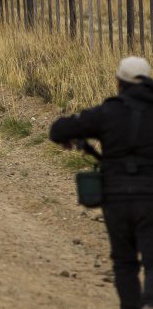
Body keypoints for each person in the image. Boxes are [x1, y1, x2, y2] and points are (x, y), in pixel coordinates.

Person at [50, 57, 153, 308]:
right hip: (151, 195)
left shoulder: (107, 112)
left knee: (124, 261)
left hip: (115, 196)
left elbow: (58, 130)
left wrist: (76, 136)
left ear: (119, 83)